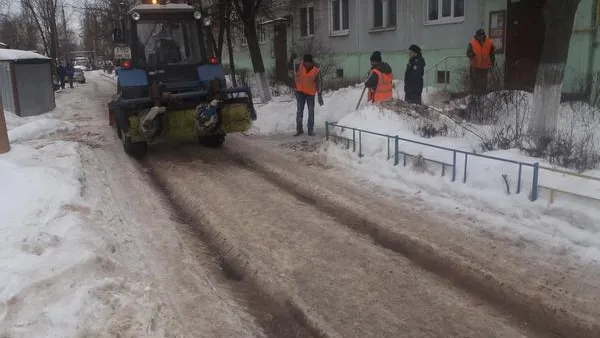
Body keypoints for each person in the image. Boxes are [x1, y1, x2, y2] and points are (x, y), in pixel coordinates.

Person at [294, 54, 324, 136]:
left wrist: (319, 95)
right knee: (300, 111)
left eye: (308, 63)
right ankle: (299, 129)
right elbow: (292, 75)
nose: (306, 65)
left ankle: (310, 130)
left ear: (311, 62)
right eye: (305, 63)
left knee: (311, 111)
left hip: (310, 94)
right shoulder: (299, 67)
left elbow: (319, 83)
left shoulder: (316, 69)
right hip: (300, 92)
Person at [467, 29, 495, 95]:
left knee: (483, 83)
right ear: (476, 36)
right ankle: (475, 97)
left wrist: (492, 62)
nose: (480, 37)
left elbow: (492, 54)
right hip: (475, 65)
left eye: (482, 36)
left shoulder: (489, 42)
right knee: (475, 82)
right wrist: (471, 54)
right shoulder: (472, 42)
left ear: (483, 35)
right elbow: (468, 53)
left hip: (485, 66)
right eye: (479, 36)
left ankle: (482, 97)